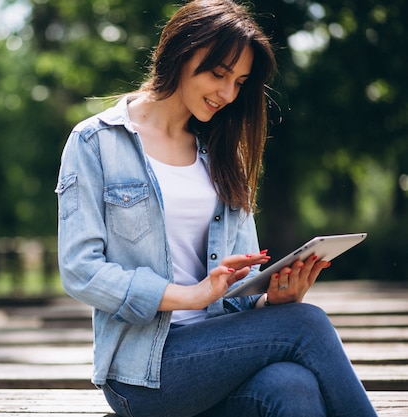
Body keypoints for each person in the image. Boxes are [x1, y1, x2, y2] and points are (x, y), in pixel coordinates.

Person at [54, 0, 378, 416]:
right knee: (308, 325)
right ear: (179, 53)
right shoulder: (96, 142)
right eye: (218, 74)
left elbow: (240, 289)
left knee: (292, 385)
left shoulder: (224, 155)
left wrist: (271, 302)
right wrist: (190, 296)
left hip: (220, 356)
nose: (227, 94)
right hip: (142, 373)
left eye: (240, 81)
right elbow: (81, 271)